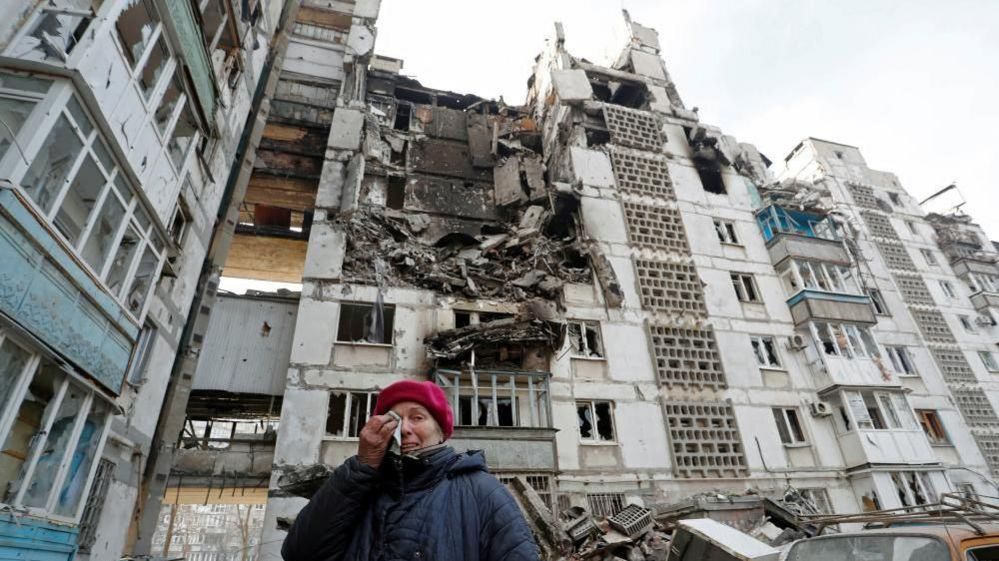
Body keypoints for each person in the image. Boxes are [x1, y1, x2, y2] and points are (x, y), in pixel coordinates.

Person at [282, 379, 540, 561]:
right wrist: (361, 467)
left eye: (417, 418)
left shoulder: (481, 491)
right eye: (394, 420)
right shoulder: (361, 489)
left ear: (441, 433)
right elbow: (299, 553)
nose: (404, 429)